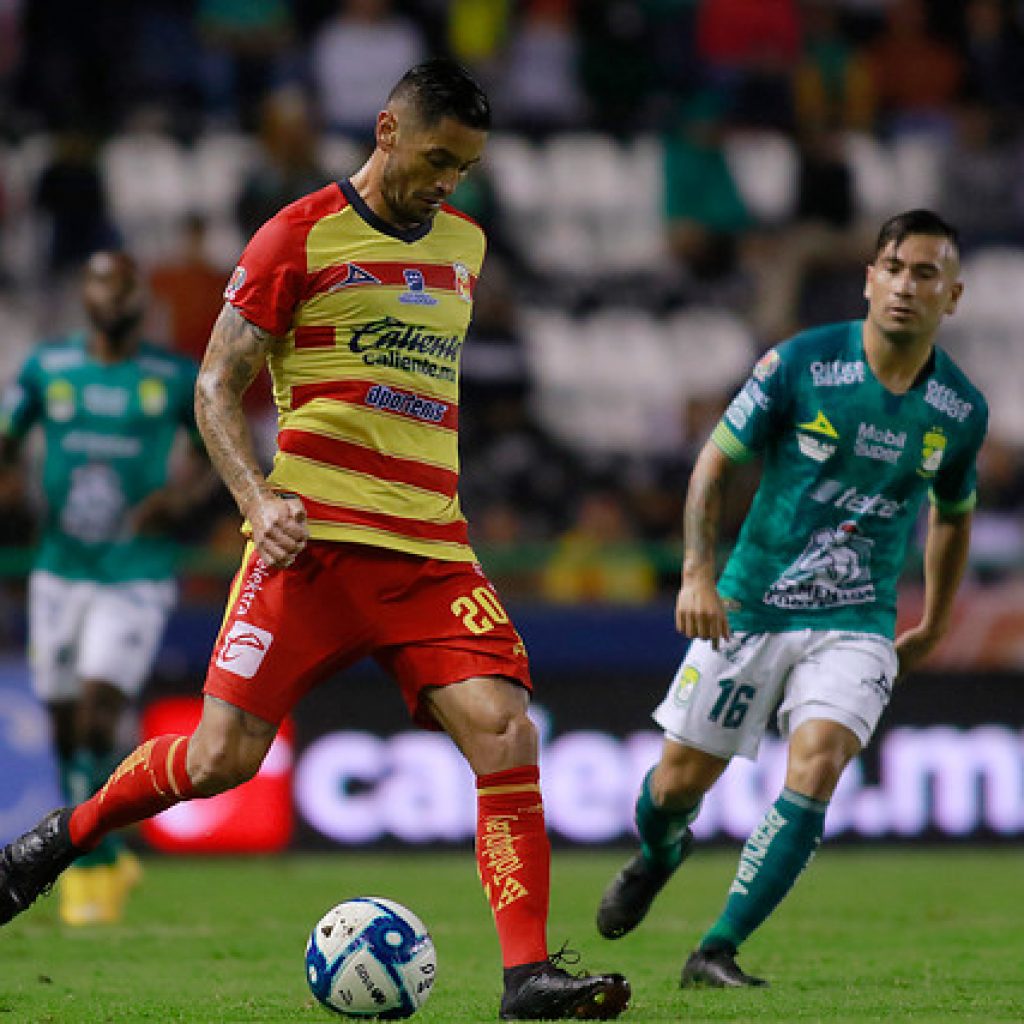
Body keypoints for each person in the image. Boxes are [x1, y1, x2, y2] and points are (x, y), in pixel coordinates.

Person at [0, 60, 631, 1022]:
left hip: (429, 553)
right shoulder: (295, 235)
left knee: (507, 732)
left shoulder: (465, 244)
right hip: (312, 548)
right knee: (219, 760)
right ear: (386, 130)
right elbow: (215, 387)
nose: (449, 183)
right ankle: (56, 842)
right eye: (437, 159)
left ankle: (527, 979)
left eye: (465, 167)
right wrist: (258, 501)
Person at [595, 209, 987, 987]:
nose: (906, 286)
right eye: (894, 268)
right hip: (752, 605)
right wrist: (697, 574)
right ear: (870, 279)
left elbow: (952, 514)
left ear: (953, 295)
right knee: (676, 785)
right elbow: (714, 463)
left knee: (819, 763)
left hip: (857, 620)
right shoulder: (800, 363)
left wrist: (935, 621)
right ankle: (661, 850)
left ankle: (716, 949)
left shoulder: (960, 410)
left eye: (925, 274)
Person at [0, 250, 214, 924]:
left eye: (122, 288)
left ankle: (86, 869)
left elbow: (214, 448)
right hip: (59, 566)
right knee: (65, 723)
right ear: (85, 296)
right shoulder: (47, 368)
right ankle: (104, 849)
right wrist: (11, 486)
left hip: (135, 570)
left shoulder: (171, 377)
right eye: (99, 285)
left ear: (138, 298)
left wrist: (179, 500)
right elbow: (7, 437)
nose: (111, 299)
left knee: (97, 707)